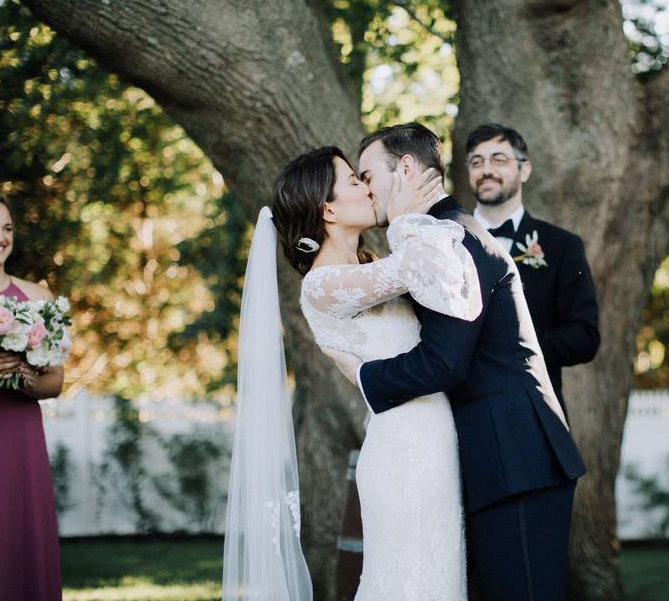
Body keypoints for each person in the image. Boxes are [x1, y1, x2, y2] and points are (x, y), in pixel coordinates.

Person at [324, 123, 587, 601]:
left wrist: (364, 374)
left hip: (515, 454)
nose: (364, 189)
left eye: (367, 175)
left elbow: (446, 362)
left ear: (404, 168)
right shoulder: (442, 231)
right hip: (502, 453)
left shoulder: (447, 235)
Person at [223, 146, 481, 600]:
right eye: (354, 181)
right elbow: (422, 264)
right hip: (403, 451)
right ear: (328, 209)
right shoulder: (323, 285)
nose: (367, 188)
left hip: (435, 439)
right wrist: (407, 210)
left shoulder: (367, 267)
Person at [0, 188, 65, 601]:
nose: (0, 236)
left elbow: (55, 382)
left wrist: (24, 379)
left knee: (16, 535)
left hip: (18, 436)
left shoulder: (38, 299)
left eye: (6, 228)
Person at [465, 122, 599, 414]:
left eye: (498, 160)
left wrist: (518, 348)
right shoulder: (449, 242)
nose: (486, 169)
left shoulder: (562, 246)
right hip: (462, 408)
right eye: (477, 162)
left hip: (535, 409)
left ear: (524, 170)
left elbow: (584, 337)